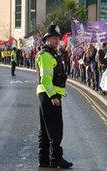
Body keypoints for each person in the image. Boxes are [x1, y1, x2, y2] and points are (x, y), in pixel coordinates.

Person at [36, 24, 72, 168]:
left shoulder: (51, 53)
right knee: (55, 128)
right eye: (53, 38)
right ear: (47, 39)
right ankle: (56, 158)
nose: (57, 40)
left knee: (45, 129)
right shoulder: (46, 55)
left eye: (58, 38)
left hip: (48, 94)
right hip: (49, 94)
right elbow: (45, 78)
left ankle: (44, 159)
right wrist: (53, 96)